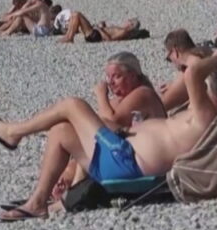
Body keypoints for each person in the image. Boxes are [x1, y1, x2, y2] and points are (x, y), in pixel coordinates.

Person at [0, 50, 217, 221]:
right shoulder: (200, 115)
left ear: (208, 86)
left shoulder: (205, 117)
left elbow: (193, 73)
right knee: (61, 130)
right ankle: (37, 202)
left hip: (126, 162)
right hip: (122, 158)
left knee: (72, 105)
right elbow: (197, 75)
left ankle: (12, 133)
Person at [51, 52, 168, 197]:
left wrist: (101, 95)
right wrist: (68, 171)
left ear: (133, 76)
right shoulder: (116, 102)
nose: (110, 83)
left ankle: (74, 190)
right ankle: (65, 184)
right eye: (108, 77)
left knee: (93, 133)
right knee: (67, 132)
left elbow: (107, 124)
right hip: (126, 158)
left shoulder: (143, 94)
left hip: (145, 162)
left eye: (116, 76)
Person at [158, 29, 213, 112]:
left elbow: (161, 105)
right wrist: (172, 85)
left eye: (169, 59)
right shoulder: (206, 55)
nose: (172, 63)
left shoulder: (191, 68)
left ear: (175, 52)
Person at [58, 12, 144, 44]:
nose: (126, 21)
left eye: (129, 21)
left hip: (96, 35)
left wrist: (99, 29)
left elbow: (110, 39)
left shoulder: (124, 31)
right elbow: (109, 33)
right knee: (74, 15)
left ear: (131, 25)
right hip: (96, 33)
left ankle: (69, 38)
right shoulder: (121, 29)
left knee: (77, 15)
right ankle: (68, 36)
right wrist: (103, 27)